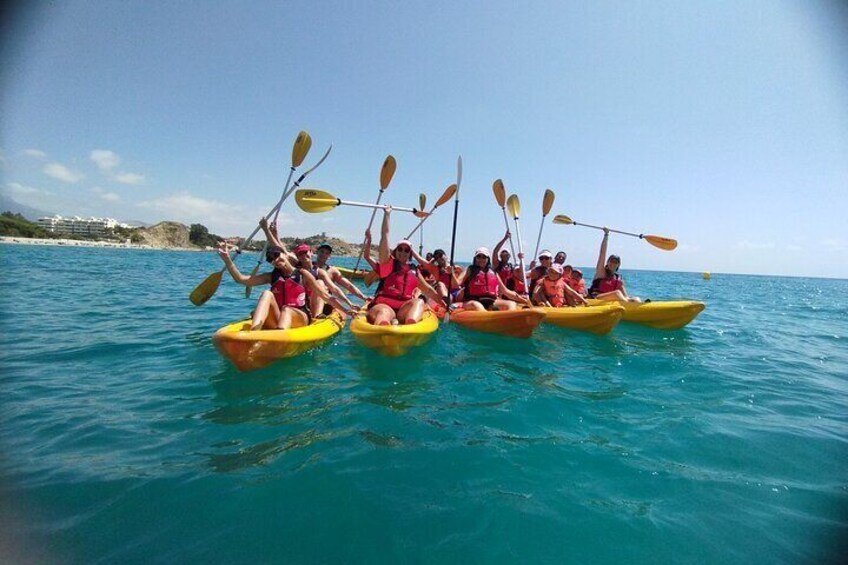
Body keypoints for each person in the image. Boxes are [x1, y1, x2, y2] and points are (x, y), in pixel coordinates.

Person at [216, 240, 351, 330]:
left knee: (287, 309)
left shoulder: (303, 273)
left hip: (300, 316)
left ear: (285, 255)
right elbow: (242, 280)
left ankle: (279, 340)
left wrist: (346, 310)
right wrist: (227, 259)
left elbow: (325, 295)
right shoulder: (271, 276)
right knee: (266, 294)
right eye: (271, 259)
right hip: (279, 316)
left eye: (277, 255)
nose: (275, 260)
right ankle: (254, 332)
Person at [364, 207, 446, 325]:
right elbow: (385, 235)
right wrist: (387, 214)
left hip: (403, 308)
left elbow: (428, 290)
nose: (403, 252)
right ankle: (384, 329)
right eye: (400, 249)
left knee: (419, 302)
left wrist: (443, 302)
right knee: (384, 313)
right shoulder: (387, 264)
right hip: (384, 305)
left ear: (410, 254)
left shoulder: (414, 271)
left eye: (406, 250)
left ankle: (410, 326)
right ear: (395, 251)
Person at [260, 219, 355, 315]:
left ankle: (317, 316)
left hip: (317, 303)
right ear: (297, 256)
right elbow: (280, 251)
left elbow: (334, 289)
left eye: (306, 252)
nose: (303, 256)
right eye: (300, 254)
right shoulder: (297, 266)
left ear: (311, 252)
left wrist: (349, 304)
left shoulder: (319, 272)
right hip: (301, 305)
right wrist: (269, 231)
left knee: (320, 283)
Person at [455, 247, 530, 311]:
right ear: (475, 258)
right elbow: (456, 284)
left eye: (484, 257)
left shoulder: (493, 272)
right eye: (479, 257)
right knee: (477, 305)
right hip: (472, 301)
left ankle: (509, 323)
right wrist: (451, 273)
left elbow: (506, 291)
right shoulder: (470, 269)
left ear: (488, 259)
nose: (481, 259)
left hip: (491, 301)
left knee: (511, 303)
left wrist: (524, 301)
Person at [588, 228, 642, 304]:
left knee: (637, 299)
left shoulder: (618, 279)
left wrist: (632, 299)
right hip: (595, 299)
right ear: (607, 262)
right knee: (617, 293)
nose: (613, 263)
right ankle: (627, 305)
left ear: (618, 265)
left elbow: (625, 296)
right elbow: (602, 253)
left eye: (615, 262)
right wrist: (606, 235)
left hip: (610, 301)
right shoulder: (601, 272)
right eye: (611, 261)